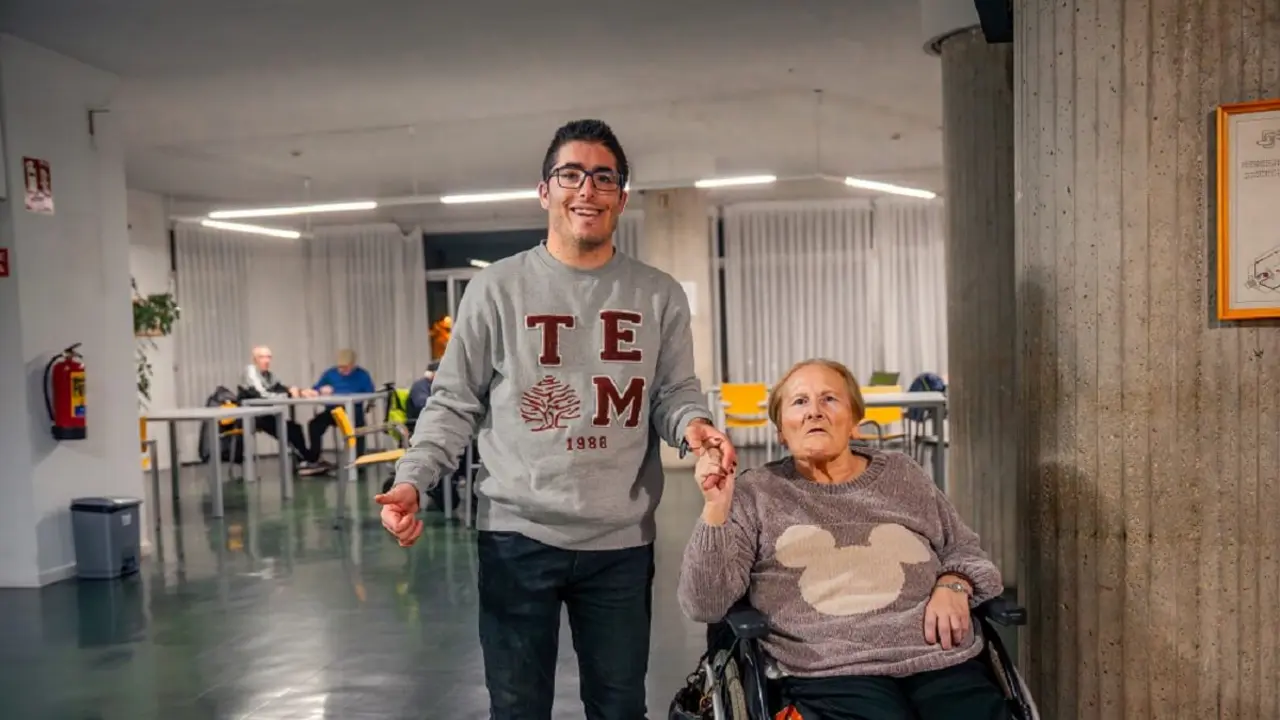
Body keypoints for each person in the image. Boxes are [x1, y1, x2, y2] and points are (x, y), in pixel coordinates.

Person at [376, 118, 737, 720]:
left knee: (620, 707)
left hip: (621, 539)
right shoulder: (496, 290)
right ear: (544, 191)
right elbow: (454, 400)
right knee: (518, 708)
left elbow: (673, 392)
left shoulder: (658, 294)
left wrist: (693, 427)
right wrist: (415, 478)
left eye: (603, 177)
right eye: (570, 174)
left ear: (622, 197)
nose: (586, 190)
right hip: (517, 535)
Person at [678, 358, 1011, 720]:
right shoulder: (754, 493)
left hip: (938, 654)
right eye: (799, 402)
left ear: (854, 421)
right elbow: (705, 605)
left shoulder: (903, 475)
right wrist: (715, 509)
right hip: (827, 669)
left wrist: (956, 582)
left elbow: (964, 549)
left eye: (830, 400)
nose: (814, 413)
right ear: (780, 431)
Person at [238, 345, 323, 474]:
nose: (266, 360)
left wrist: (299, 391)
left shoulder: (269, 375)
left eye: (268, 357)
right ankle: (307, 461)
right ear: (254, 359)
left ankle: (307, 460)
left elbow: (280, 388)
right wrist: (289, 394)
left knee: (294, 428)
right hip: (250, 415)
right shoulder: (250, 371)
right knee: (290, 430)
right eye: (262, 357)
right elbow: (262, 395)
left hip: (266, 414)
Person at [300, 348, 376, 463]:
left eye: (346, 367)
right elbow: (315, 389)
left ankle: (358, 460)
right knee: (314, 425)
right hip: (333, 412)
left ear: (353, 365)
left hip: (353, 413)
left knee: (358, 429)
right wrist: (320, 390)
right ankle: (314, 458)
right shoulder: (330, 374)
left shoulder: (362, 375)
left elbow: (370, 394)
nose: (342, 370)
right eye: (340, 367)